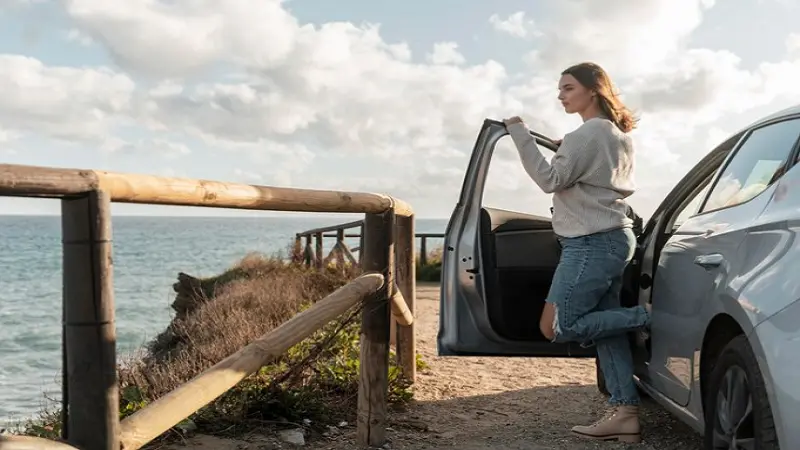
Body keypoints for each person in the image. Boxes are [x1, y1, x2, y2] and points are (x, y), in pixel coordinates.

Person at [503, 62, 651, 444]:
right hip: (612, 237)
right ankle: (625, 412)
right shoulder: (615, 134)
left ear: (593, 89)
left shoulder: (588, 133)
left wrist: (519, 135)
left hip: (591, 242)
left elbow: (550, 179)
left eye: (568, 87)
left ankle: (648, 317)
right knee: (607, 331)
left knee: (557, 326)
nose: (561, 95)